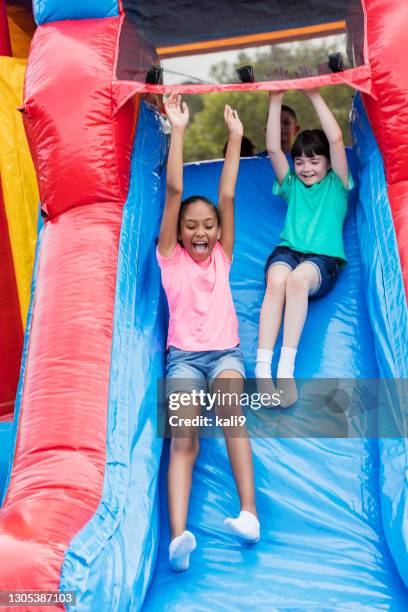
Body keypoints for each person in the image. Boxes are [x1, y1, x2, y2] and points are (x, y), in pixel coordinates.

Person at [157, 93, 260, 572]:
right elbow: (175, 192)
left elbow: (228, 195)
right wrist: (178, 129)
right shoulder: (169, 257)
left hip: (224, 356)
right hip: (182, 360)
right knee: (183, 440)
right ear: (178, 234)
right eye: (191, 227)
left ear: (219, 232)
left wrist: (235, 139)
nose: (200, 232)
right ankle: (179, 540)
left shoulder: (223, 253)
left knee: (232, 413)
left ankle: (249, 514)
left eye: (208, 227)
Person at [256, 89, 353, 406]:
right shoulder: (292, 185)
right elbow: (273, 148)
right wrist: (274, 99)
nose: (306, 168)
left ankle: (285, 369)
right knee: (278, 280)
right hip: (288, 252)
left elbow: (337, 139)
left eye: (314, 160)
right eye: (299, 161)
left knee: (297, 281)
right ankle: (261, 371)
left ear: (327, 162)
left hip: (322, 261)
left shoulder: (336, 184)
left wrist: (313, 94)